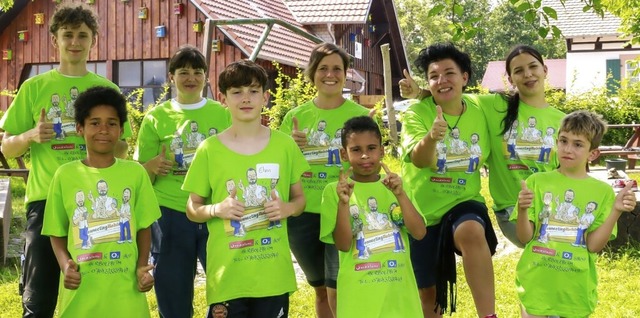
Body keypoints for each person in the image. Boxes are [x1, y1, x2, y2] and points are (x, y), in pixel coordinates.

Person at [0, 4, 130, 317]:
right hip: (46, 201)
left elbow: (124, 149)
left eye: (82, 35)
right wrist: (31, 135)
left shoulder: (107, 90)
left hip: (94, 203)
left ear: (93, 40)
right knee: (39, 297)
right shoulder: (34, 88)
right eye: (68, 34)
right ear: (55, 39)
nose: (75, 41)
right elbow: (6, 148)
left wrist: (100, 142)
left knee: (94, 296)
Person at [400, 45, 566, 248]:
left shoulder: (563, 121)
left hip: (550, 205)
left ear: (545, 70)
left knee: (559, 259)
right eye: (518, 71)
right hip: (512, 209)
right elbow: (449, 94)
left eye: (533, 67)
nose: (528, 74)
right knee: (545, 250)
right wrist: (418, 92)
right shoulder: (495, 106)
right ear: (510, 78)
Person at [182, 60, 309, 318]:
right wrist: (218, 209)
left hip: (273, 276)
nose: (246, 99)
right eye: (236, 92)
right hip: (228, 277)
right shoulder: (209, 149)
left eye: (253, 91)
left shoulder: (284, 146)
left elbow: (300, 201)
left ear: (265, 96)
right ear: (223, 98)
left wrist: (287, 208)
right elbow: (192, 209)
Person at [41, 86, 160, 317]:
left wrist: (141, 267)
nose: (103, 130)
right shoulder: (64, 176)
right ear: (79, 128)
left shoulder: (135, 173)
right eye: (95, 123)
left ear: (121, 129)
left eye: (112, 123)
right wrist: (66, 265)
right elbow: (56, 231)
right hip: (81, 297)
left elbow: (144, 226)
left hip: (127, 296)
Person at [400, 43, 498, 318]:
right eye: (434, 76)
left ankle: (488, 316)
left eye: (449, 73)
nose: (442, 80)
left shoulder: (483, 110)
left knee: (470, 230)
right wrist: (432, 136)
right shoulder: (416, 114)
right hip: (422, 213)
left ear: (465, 77)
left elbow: (524, 102)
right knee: (428, 296)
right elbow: (419, 160)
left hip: (463, 201)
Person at [134, 45, 231, 318]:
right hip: (170, 212)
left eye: (197, 72)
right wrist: (150, 166)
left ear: (206, 78)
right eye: (184, 72)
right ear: (171, 77)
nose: (191, 78)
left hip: (214, 212)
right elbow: (140, 175)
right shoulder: (156, 117)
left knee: (227, 289)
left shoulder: (222, 114)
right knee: (173, 292)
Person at [513, 110, 637, 317]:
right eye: (563, 141)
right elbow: (525, 237)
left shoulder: (603, 192)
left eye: (578, 144)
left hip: (574, 292)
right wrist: (523, 210)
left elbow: (593, 246)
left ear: (593, 153)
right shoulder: (537, 182)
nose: (567, 149)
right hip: (536, 284)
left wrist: (616, 211)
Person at [279, 42, 370, 318]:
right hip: (302, 215)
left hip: (342, 209)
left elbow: (371, 164)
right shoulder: (295, 118)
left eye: (337, 69)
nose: (330, 74)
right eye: (323, 68)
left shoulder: (360, 115)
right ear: (312, 72)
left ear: (346, 74)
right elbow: (278, 169)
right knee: (320, 289)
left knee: (338, 286)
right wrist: (289, 148)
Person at [319, 116, 426, 317]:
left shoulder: (398, 186)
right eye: (356, 150)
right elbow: (342, 245)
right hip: (359, 298)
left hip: (400, 296)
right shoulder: (334, 191)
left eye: (371, 148)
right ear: (344, 154)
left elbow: (419, 233)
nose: (365, 156)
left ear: (382, 151)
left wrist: (400, 195)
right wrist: (343, 203)